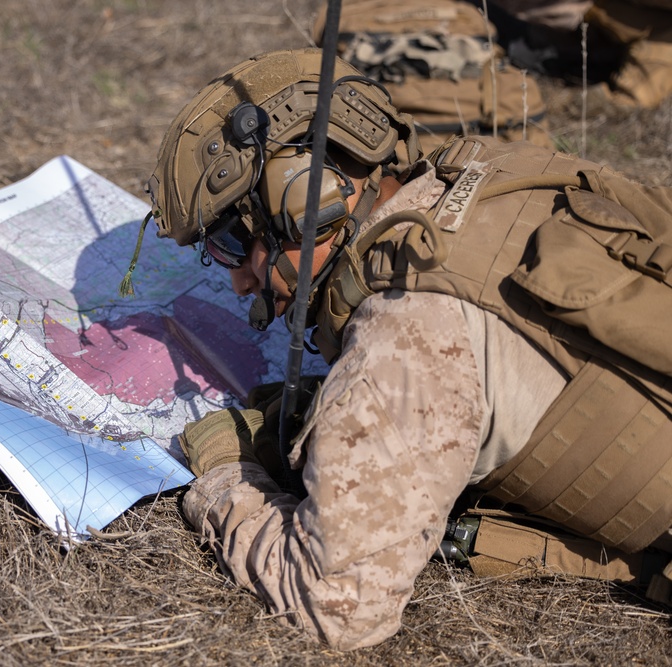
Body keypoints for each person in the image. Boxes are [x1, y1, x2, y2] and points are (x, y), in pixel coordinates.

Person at [142, 47, 672, 649]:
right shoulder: (483, 170)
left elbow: (338, 607)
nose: (238, 280)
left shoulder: (404, 339)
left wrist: (225, 477)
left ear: (305, 199)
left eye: (234, 244)